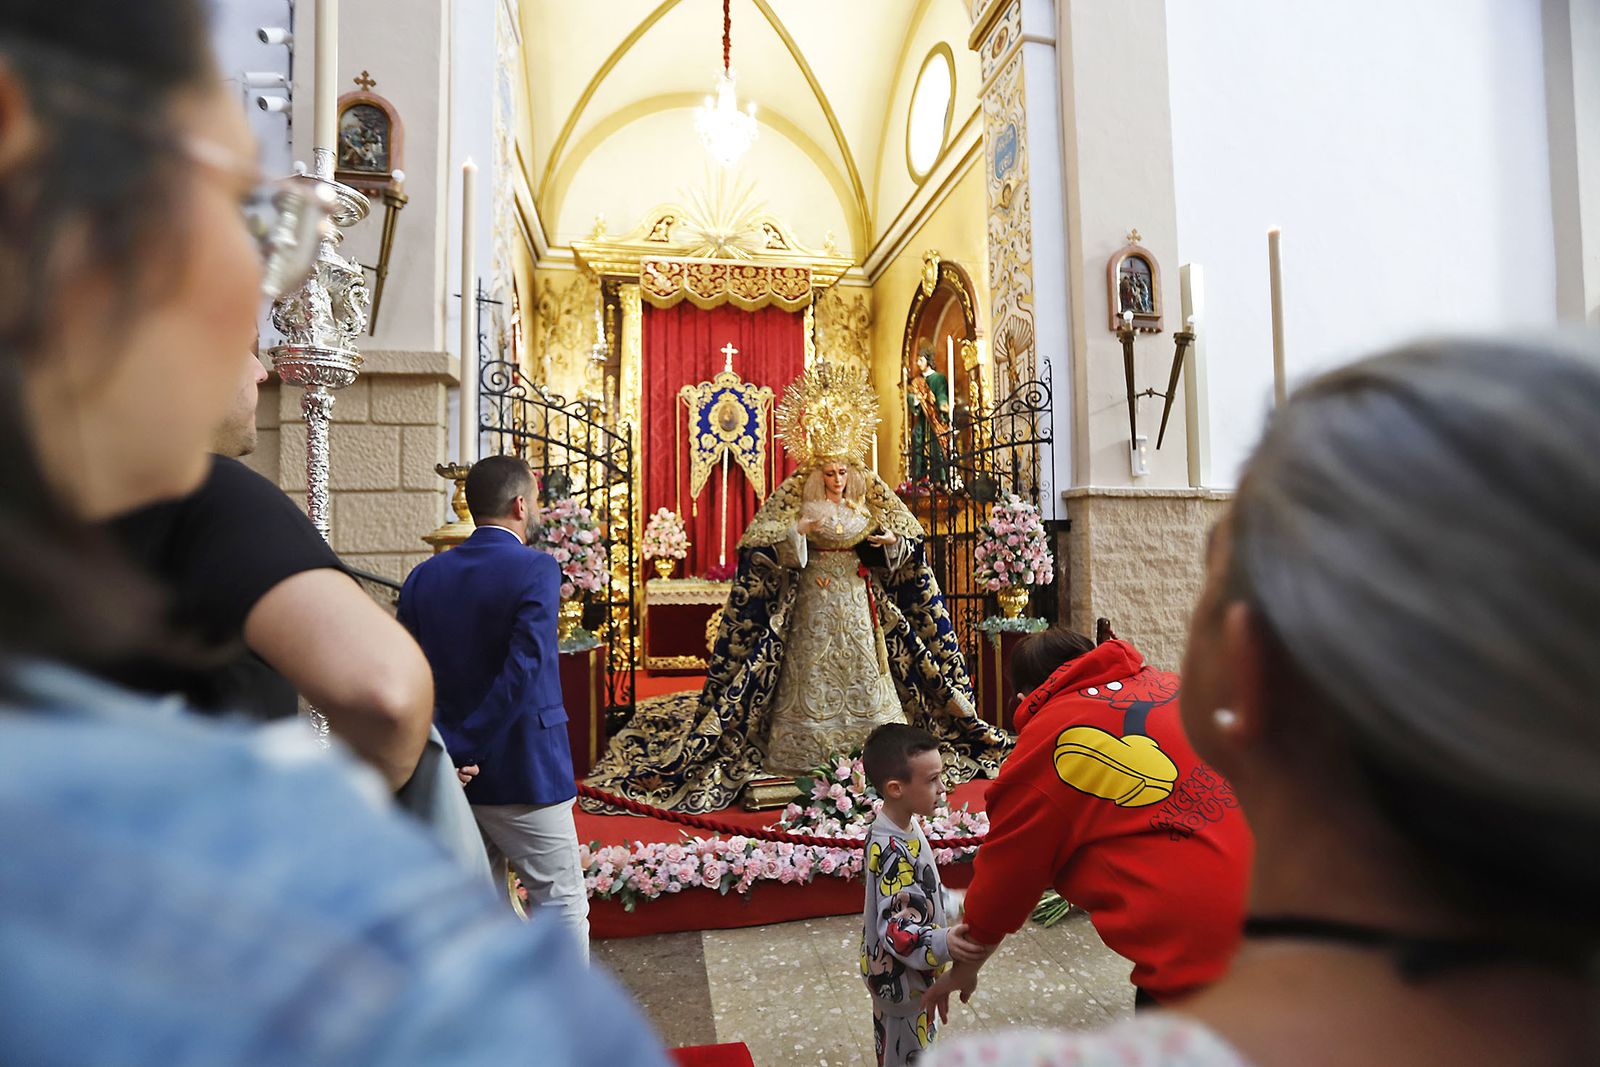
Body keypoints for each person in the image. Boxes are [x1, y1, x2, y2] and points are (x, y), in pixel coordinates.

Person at [0, 4, 663, 1062]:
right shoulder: (205, 504)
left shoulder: (425, 570)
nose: (268, 298)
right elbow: (388, 691)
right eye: (242, 209)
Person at [924, 339, 1600, 1066]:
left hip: (1202, 972)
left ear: (1247, 673)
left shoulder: (1055, 737)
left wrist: (973, 947)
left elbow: (1012, 858)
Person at [587, 360, 1011, 812]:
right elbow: (762, 542)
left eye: (843, 472)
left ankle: (876, 749)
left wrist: (890, 544)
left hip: (857, 599)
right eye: (829, 473)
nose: (837, 480)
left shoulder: (867, 500)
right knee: (810, 670)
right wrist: (798, 535)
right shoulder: (797, 498)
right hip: (812, 599)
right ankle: (801, 749)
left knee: (867, 671)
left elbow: (907, 541)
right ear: (818, 473)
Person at [107, 346, 434, 788]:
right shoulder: (213, 493)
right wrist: (338, 808)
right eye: (244, 347)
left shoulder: (61, 498)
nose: (262, 372)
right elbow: (387, 692)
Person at [925, 627, 1252, 1016]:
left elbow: (1009, 869)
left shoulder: (1050, 736)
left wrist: (969, 960)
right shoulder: (1175, 686)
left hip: (1203, 949)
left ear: (1023, 698)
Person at [397, 455, 590, 957]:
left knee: (479, 912)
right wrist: (468, 745)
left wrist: (447, 749)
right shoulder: (536, 567)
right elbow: (525, 667)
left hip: (450, 774)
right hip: (525, 768)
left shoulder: (423, 576)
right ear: (520, 505)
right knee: (560, 900)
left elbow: (408, 671)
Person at [859, 723, 987, 1067]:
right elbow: (896, 929)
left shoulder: (903, 825)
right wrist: (945, 942)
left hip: (913, 980)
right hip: (902, 986)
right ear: (896, 788)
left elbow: (918, 894)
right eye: (932, 779)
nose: (943, 788)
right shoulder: (892, 850)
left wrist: (957, 901)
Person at [907, 344, 950, 484]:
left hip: (935, 419)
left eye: (921, 360)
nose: (918, 363)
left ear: (928, 360)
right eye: (917, 360)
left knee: (936, 444)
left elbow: (942, 393)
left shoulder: (938, 378)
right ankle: (920, 477)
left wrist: (943, 404)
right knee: (917, 438)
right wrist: (915, 399)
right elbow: (910, 397)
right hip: (922, 419)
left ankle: (939, 479)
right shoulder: (916, 381)